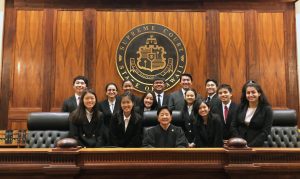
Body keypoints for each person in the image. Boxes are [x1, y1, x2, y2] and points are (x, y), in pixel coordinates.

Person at [231, 83, 273, 147]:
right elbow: (233, 126)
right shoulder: (240, 107)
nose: (250, 95)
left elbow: (265, 131)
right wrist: (240, 141)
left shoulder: (267, 109)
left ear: (259, 93)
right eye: (248, 93)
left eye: (253, 92)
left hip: (256, 146)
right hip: (239, 144)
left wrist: (250, 145)